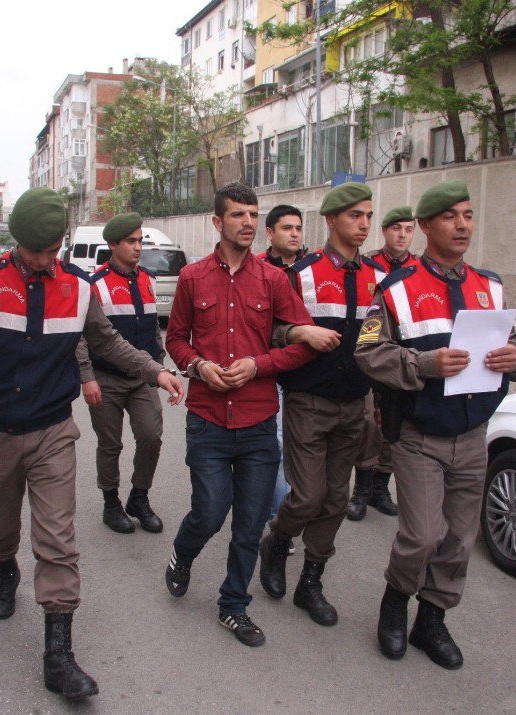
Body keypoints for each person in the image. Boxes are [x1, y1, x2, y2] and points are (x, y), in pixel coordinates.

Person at [0, 188, 184, 700]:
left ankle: (58, 654)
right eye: (35, 251)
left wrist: (154, 369)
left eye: (54, 249)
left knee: (58, 538)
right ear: (17, 243)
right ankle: (5, 568)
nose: (45, 260)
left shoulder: (78, 287)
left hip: (51, 431)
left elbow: (107, 340)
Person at [354, 179, 516, 670]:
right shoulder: (391, 289)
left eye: (469, 215)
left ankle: (431, 620)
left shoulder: (489, 285)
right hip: (419, 437)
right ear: (427, 226)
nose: (463, 225)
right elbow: (367, 351)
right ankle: (394, 605)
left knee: (458, 539)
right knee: (422, 535)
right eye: (451, 216)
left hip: (473, 436)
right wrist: (425, 365)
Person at [163, 182, 322, 648]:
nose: (249, 223)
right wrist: (199, 366)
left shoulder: (274, 280)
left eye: (254, 214)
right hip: (208, 418)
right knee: (209, 513)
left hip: (257, 421)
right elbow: (175, 340)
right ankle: (182, 554)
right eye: (238, 215)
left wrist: (259, 365)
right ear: (218, 222)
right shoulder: (192, 278)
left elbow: (302, 341)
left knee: (250, 525)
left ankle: (233, 606)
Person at [259, 182, 378, 627]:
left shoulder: (378, 278)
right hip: (308, 399)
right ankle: (276, 539)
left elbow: (378, 341)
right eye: (354, 216)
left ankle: (311, 580)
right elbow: (269, 331)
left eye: (368, 215)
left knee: (335, 499)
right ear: (331, 221)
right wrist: (298, 333)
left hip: (355, 402)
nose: (364, 224)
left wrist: (378, 398)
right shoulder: (302, 273)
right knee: (307, 497)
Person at [76, 212, 167, 535]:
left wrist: (159, 359)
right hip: (106, 378)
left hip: (142, 377)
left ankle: (138, 498)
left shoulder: (147, 279)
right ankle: (111, 502)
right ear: (113, 244)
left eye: (140, 240)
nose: (138, 247)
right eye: (131, 241)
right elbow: (81, 337)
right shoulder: (93, 284)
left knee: (150, 436)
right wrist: (87, 377)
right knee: (110, 444)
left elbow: (153, 325)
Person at [348, 205, 417, 522]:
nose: (402, 235)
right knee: (368, 425)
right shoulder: (367, 265)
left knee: (394, 426)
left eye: (408, 229)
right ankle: (361, 489)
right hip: (372, 353)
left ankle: (380, 488)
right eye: (396, 228)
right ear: (385, 231)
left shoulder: (419, 269)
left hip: (405, 358)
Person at [258, 204, 308, 550]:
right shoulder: (257, 269)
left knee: (298, 447)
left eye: (298, 228)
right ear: (271, 233)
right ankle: (278, 519)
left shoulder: (312, 270)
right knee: (275, 444)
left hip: (307, 373)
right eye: (287, 228)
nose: (294, 234)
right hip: (273, 369)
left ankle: (295, 508)